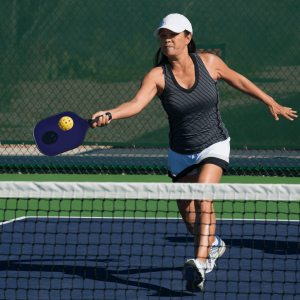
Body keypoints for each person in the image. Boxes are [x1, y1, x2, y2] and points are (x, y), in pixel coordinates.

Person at [91, 13, 297, 292]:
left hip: (214, 143)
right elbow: (135, 104)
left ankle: (199, 263)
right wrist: (110, 114)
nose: (167, 40)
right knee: (191, 223)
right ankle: (214, 244)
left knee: (204, 197)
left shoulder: (209, 62)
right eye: (163, 36)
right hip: (180, 153)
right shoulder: (157, 76)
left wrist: (269, 100)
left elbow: (240, 80)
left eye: (172, 35)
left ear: (188, 37)